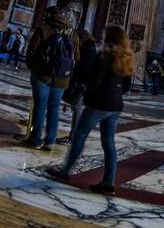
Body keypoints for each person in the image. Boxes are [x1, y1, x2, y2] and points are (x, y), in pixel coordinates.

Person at [48, 26, 135, 194]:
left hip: (98, 104)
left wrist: (88, 98)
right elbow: (127, 86)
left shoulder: (104, 55)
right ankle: (108, 183)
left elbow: (94, 81)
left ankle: (65, 171)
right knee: (109, 143)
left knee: (79, 136)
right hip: (115, 106)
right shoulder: (126, 57)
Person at [24, 6, 80, 151]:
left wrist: (33, 67)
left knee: (40, 106)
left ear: (48, 14)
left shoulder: (44, 27)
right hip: (61, 79)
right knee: (54, 109)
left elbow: (31, 49)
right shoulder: (72, 32)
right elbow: (77, 57)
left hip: (42, 75)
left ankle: (35, 139)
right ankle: (50, 141)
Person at [62, 30, 99, 139]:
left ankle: (73, 137)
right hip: (85, 85)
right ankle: (74, 136)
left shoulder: (86, 51)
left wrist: (72, 85)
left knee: (77, 111)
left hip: (81, 85)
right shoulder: (92, 49)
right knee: (77, 110)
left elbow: (80, 70)